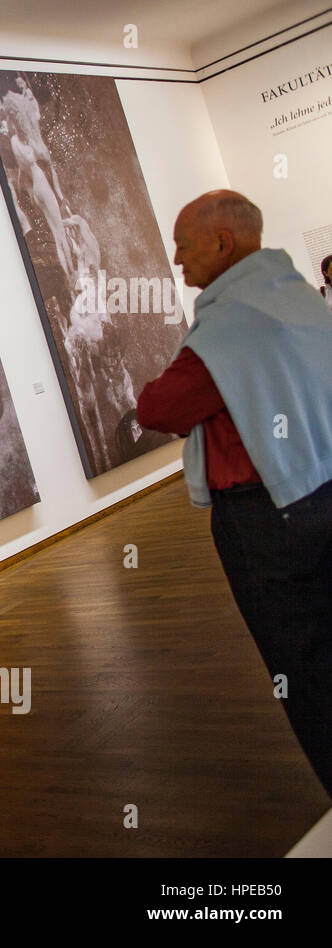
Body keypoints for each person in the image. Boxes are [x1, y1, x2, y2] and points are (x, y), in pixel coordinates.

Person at [136, 190, 332, 797]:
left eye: (184, 245)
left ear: (223, 244)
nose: (176, 260)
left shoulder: (230, 321)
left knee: (305, 664)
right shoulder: (297, 296)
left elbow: (160, 407)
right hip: (323, 483)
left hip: (269, 517)